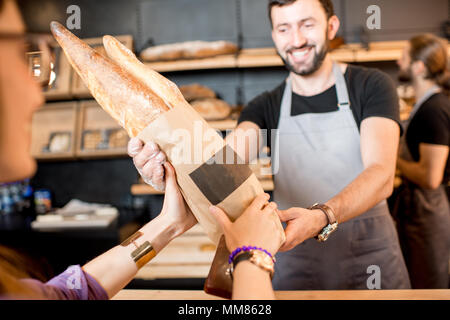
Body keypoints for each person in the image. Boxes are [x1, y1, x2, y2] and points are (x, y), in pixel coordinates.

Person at [0, 0, 283, 299]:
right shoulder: (263, 104)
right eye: (22, 53)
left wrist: (170, 223)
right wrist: (252, 255)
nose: (37, 96)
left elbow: (69, 295)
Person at [129, 0, 411, 290]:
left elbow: (381, 175)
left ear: (331, 26)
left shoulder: (370, 86)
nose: (297, 40)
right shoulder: (264, 106)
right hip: (295, 253)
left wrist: (322, 217)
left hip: (369, 255)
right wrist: (169, 171)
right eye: (284, 28)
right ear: (274, 35)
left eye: (307, 24)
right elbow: (221, 165)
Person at [394, 33, 450, 289]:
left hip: (428, 213)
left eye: (403, 56)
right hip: (418, 211)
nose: (398, 61)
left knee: (429, 284)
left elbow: (430, 177)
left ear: (419, 67)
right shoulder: (426, 104)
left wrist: (393, 161)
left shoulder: (433, 110)